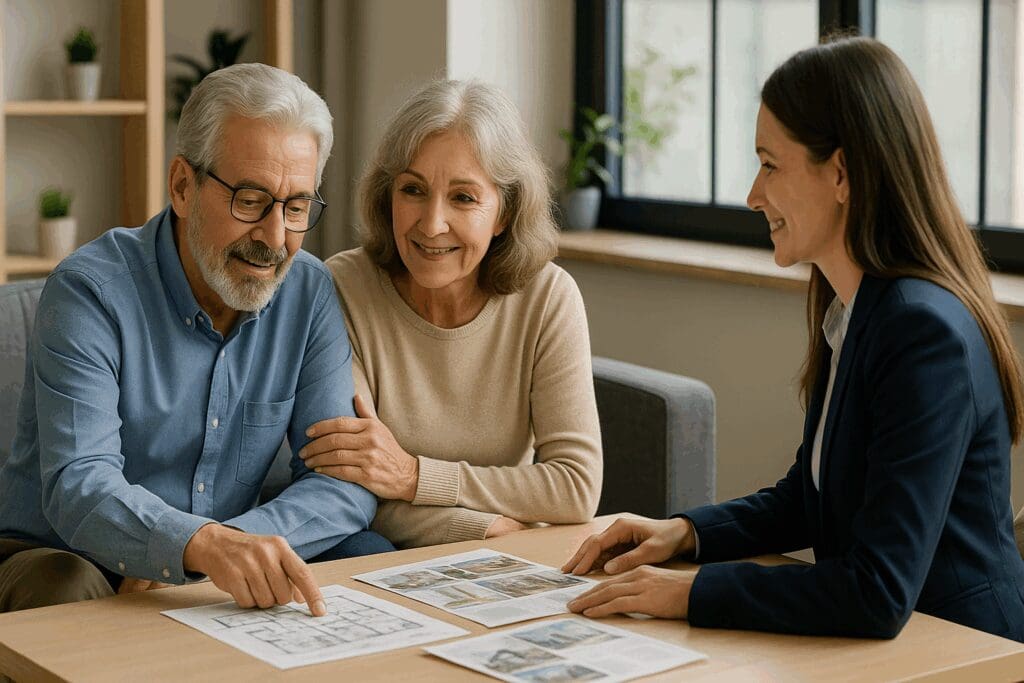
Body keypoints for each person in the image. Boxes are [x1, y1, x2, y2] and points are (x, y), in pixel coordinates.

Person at [562, 35, 1024, 641]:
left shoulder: (922, 332)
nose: (754, 196)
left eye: (770, 164)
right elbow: (811, 499)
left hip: (965, 649)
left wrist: (692, 592)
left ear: (842, 173)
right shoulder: (858, 307)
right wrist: (684, 532)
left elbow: (877, 590)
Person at [0, 63, 387, 617]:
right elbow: (80, 484)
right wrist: (198, 548)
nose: (275, 239)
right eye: (250, 201)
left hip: (213, 556)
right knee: (63, 585)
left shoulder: (309, 292)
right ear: (183, 186)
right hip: (62, 553)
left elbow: (341, 482)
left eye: (297, 207)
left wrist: (208, 551)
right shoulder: (89, 291)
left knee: (367, 554)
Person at [299, 79, 603, 547]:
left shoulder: (548, 297)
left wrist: (413, 476)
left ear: (504, 213)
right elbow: (348, 481)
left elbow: (575, 487)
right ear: (388, 196)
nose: (432, 223)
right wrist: (480, 527)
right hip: (407, 552)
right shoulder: (342, 288)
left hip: (512, 560)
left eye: (463, 197)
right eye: (413, 190)